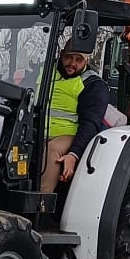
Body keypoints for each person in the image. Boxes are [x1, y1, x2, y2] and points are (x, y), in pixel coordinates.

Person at [41, 36, 112, 192]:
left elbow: (90, 123)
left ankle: (41, 200)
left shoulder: (93, 86)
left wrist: (73, 154)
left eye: (78, 59)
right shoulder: (43, 74)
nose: (72, 63)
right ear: (61, 54)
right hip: (38, 132)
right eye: (68, 57)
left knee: (53, 149)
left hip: (68, 134)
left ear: (86, 60)